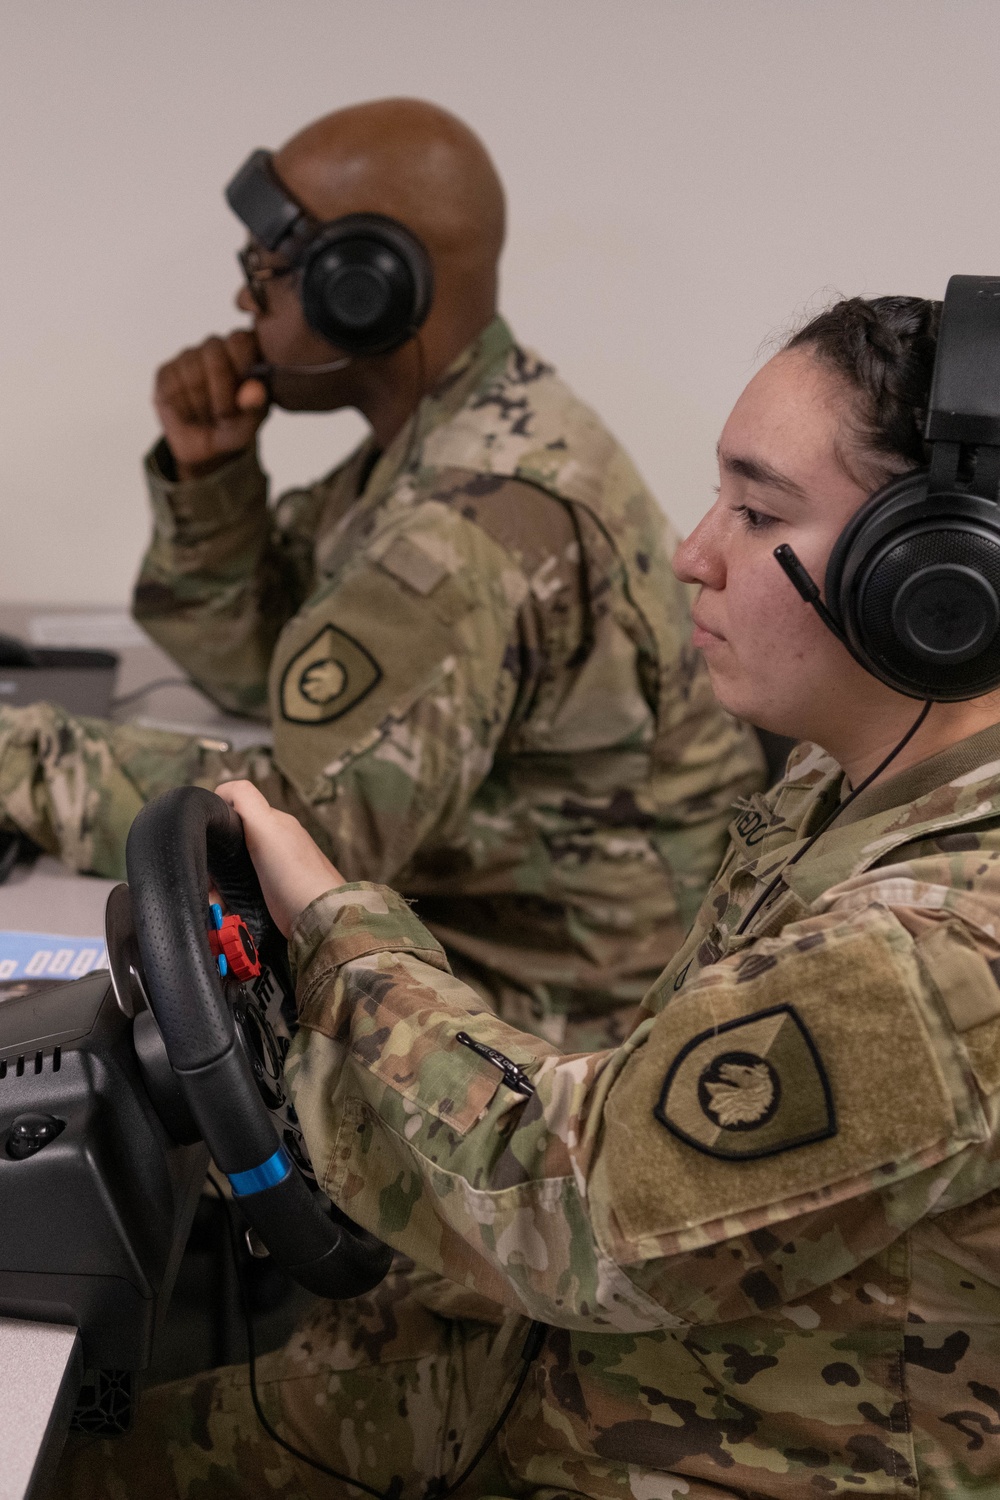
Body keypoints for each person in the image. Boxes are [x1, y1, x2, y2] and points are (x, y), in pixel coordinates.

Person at [50, 289, 1000, 1499]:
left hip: (676, 1441)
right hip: (598, 1372)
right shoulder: (851, 778)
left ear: (933, 582)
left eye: (758, 511)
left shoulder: (939, 949)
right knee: (92, 1430)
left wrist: (339, 939)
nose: (690, 551)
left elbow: (572, 1214)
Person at [0, 98, 761, 1050]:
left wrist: (15, 757)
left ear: (362, 288)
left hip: (555, 1024)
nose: (245, 304)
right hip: (545, 950)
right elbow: (256, 664)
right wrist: (212, 478)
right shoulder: (471, 422)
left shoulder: (466, 522)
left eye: (265, 272)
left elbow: (304, 843)